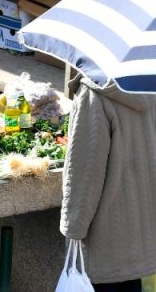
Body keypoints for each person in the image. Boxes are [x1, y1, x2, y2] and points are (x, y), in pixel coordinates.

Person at [60, 75, 156, 291]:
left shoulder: (93, 93)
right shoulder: (148, 86)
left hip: (104, 243)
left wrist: (72, 229)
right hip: (140, 239)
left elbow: (84, 174)